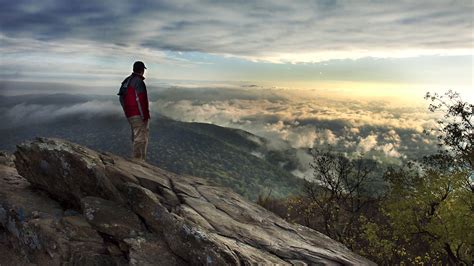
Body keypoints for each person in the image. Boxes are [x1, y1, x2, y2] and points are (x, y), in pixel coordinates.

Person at [117, 61, 150, 161]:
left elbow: (121, 97)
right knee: (141, 137)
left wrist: (126, 110)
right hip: (138, 114)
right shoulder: (139, 82)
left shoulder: (126, 81)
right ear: (142, 70)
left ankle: (137, 160)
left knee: (136, 135)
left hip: (130, 114)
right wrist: (144, 116)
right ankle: (139, 161)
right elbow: (142, 100)